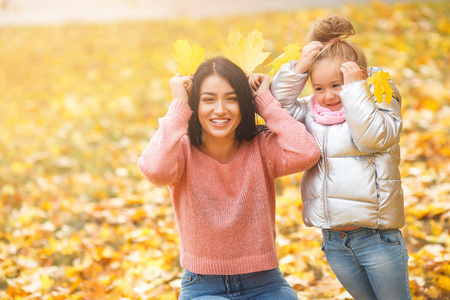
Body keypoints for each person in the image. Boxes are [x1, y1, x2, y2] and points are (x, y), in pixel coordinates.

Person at [138, 56, 320, 299]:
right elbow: (155, 171)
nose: (220, 110)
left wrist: (265, 103)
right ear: (194, 105)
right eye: (208, 99)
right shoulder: (181, 150)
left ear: (244, 103)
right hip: (203, 286)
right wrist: (178, 105)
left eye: (231, 99)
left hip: (265, 282)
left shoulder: (261, 147)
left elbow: (306, 153)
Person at [270, 15, 411, 300]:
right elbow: (276, 110)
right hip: (335, 240)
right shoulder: (311, 113)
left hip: (377, 238)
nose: (328, 96)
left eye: (337, 85)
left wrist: (355, 90)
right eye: (318, 88)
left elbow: (373, 137)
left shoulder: (379, 101)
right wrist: (298, 70)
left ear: (359, 77)